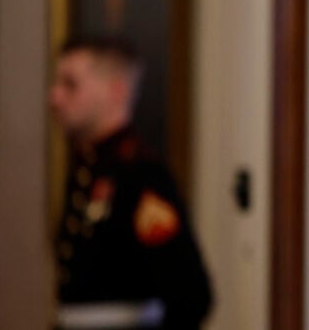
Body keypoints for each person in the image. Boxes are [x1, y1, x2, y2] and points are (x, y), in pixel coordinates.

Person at [49, 36, 212, 329]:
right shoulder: (87, 168)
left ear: (115, 92)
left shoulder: (140, 175)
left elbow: (191, 296)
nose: (55, 97)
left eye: (70, 85)